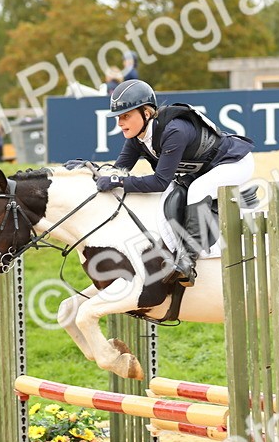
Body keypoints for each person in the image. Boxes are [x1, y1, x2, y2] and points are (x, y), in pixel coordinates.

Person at [84, 79, 254, 287]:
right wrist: (90, 171)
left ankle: (187, 260)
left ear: (146, 113)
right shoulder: (137, 138)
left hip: (233, 163)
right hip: (204, 170)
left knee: (198, 190)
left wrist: (118, 181)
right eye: (119, 117)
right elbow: (118, 171)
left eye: (125, 116)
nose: (120, 122)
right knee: (178, 193)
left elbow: (159, 182)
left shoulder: (174, 131)